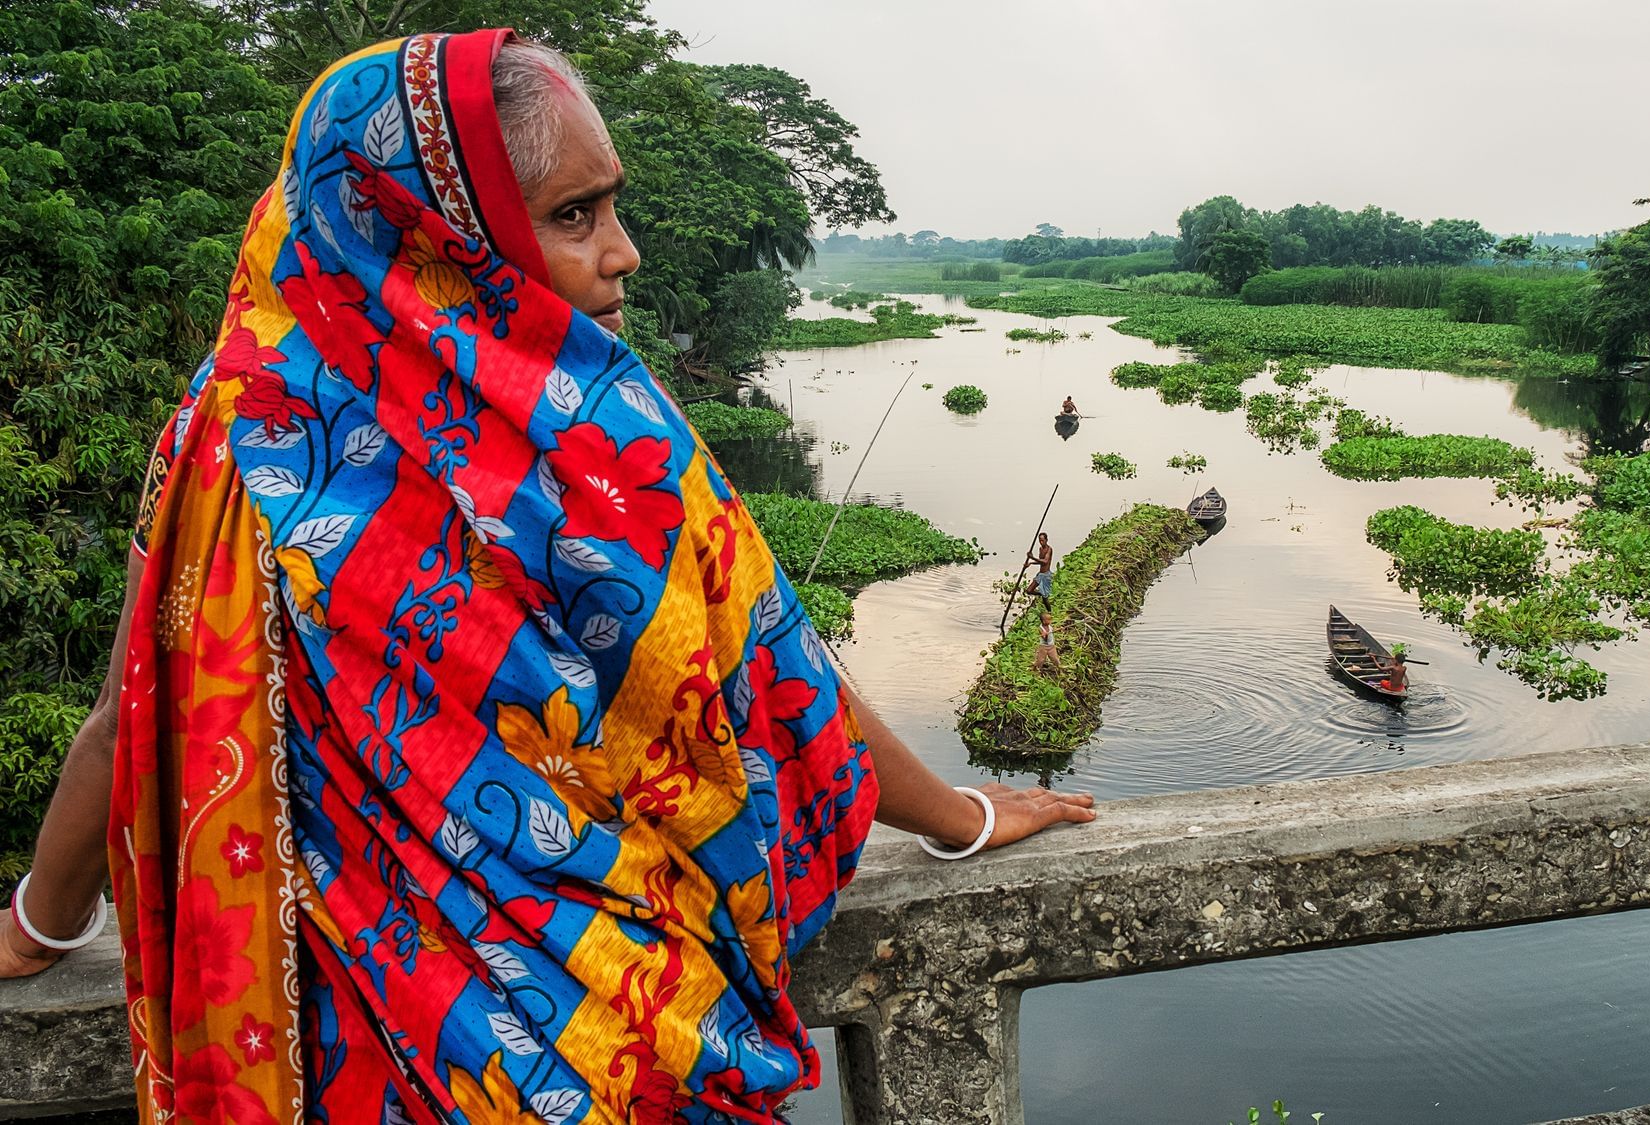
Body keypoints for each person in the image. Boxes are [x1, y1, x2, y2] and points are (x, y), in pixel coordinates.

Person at [0, 32, 1093, 1123]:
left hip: (330, 1062)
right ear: (440, 235)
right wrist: (957, 818)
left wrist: (40, 923)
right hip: (608, 1040)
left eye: (612, 207)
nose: (621, 253)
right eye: (574, 217)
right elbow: (785, 681)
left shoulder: (230, 435)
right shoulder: (606, 446)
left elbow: (124, 719)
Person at [1028, 532, 1055, 602]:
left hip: (1046, 575)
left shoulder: (1049, 549)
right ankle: (1041, 594)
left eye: (1042, 540)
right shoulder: (1040, 549)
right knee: (1029, 590)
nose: (1041, 542)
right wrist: (1031, 563)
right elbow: (1040, 561)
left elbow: (1045, 561)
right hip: (1040, 574)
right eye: (1040, 540)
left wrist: (1032, 558)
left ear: (1046, 540)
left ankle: (1049, 610)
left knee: (1045, 600)